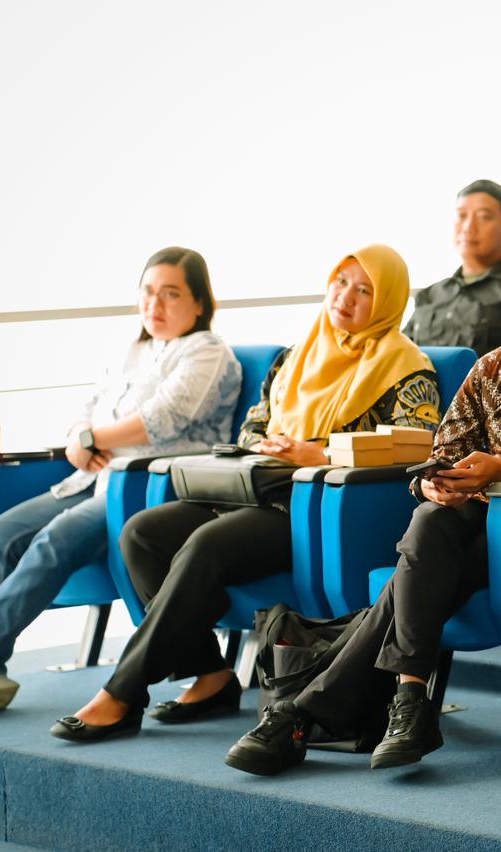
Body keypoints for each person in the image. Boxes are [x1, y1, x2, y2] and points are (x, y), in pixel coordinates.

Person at [223, 236, 501, 775]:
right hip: (469, 520)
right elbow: (443, 447)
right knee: (428, 522)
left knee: (415, 570)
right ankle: (402, 703)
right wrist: (433, 483)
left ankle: (309, 712)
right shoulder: (495, 365)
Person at [51, 244, 441, 742]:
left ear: (387, 300)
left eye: (364, 290)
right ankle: (212, 676)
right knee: (142, 534)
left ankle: (123, 692)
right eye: (340, 282)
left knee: (206, 545)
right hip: (252, 488)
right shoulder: (296, 358)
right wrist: (272, 443)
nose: (346, 297)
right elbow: (251, 428)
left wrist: (318, 455)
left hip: (313, 509)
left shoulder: (408, 368)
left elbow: (413, 447)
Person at [0, 248, 240, 719]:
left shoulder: (208, 352)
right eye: (148, 293)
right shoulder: (134, 352)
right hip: (91, 479)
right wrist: (81, 437)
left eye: (171, 295)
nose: (154, 305)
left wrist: (94, 436)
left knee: (54, 539)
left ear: (200, 303)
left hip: (143, 488)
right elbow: (89, 407)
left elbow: (163, 419)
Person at [403, 179, 501, 356]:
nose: (468, 227)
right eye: (461, 215)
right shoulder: (432, 294)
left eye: (484, 217)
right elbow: (401, 355)